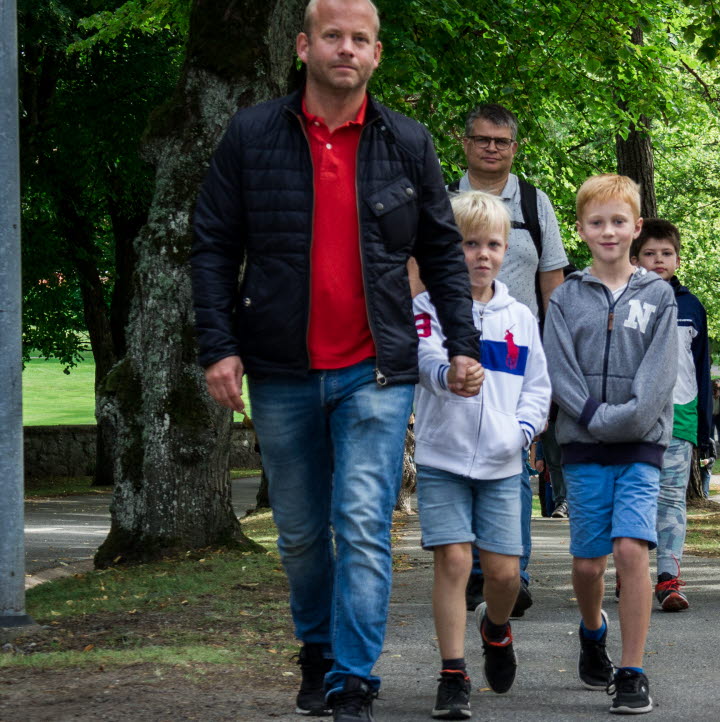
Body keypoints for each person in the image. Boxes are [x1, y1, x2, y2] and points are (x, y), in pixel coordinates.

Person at [191, 1, 483, 719]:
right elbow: (213, 245)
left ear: (376, 54)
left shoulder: (406, 142)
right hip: (281, 367)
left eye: (360, 39)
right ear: (304, 46)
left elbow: (443, 251)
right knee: (298, 532)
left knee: (360, 520)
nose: (345, 50)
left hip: (376, 368)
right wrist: (219, 347)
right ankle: (316, 650)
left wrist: (462, 344)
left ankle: (354, 676)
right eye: (332, 36)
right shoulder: (253, 134)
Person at [543, 174, 678, 714]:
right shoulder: (566, 298)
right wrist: (593, 416)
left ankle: (633, 669)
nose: (608, 230)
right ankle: (592, 629)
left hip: (641, 447)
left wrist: (623, 420)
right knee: (588, 564)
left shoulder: (659, 296)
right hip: (582, 444)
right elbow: (560, 369)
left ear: (636, 227)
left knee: (630, 552)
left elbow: (658, 379)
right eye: (597, 222)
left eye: (619, 221)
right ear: (581, 229)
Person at [413, 192, 551, 720]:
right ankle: (453, 673)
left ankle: (495, 630)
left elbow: (538, 388)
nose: (482, 255)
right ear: (450, 250)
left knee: (505, 574)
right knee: (454, 560)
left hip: (501, 463)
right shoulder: (428, 310)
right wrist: (448, 374)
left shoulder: (519, 317)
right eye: (469, 244)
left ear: (506, 249)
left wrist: (521, 431)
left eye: (492, 244)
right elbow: (423, 360)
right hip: (442, 459)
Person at [451, 103, 570, 615]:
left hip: (518, 353)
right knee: (459, 461)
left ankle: (511, 571)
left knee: (514, 460)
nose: (492, 148)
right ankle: (476, 572)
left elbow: (553, 284)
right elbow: (419, 272)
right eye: (482, 139)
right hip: (453, 346)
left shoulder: (535, 203)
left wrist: (558, 356)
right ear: (466, 143)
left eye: (501, 141)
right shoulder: (442, 201)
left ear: (514, 147)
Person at [629, 219, 713, 612]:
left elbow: (702, 368)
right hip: (633, 416)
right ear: (635, 258)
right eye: (650, 253)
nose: (658, 260)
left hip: (681, 415)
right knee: (634, 497)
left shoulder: (692, 306)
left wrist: (707, 426)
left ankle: (669, 579)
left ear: (678, 259)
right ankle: (632, 576)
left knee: (671, 499)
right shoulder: (625, 300)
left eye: (666, 253)